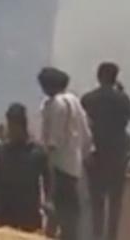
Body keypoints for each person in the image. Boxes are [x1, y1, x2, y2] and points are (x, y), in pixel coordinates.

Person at [81, 62, 130, 240]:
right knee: (115, 201)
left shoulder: (88, 99)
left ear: (99, 77)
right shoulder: (121, 98)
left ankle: (96, 234)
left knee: (96, 200)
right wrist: (121, 91)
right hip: (117, 154)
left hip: (96, 153)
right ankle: (111, 236)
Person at [39, 67, 93, 240]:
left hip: (58, 165)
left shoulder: (56, 104)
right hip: (74, 165)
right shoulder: (74, 102)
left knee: (55, 211)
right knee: (71, 214)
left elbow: (53, 141)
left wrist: (45, 161)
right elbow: (87, 135)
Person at [0, 103, 51, 232]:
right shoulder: (0, 151)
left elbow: (48, 180)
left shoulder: (37, 151)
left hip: (29, 213)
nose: (11, 130)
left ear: (23, 125)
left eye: (14, 125)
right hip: (5, 213)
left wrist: (48, 201)